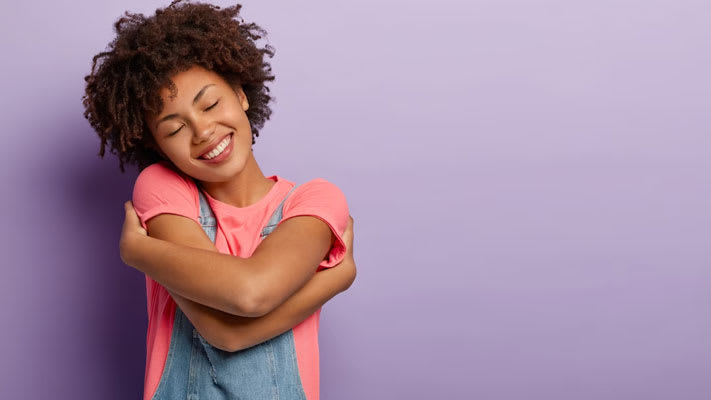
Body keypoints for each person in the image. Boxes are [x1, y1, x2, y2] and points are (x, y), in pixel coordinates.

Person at [81, 1, 357, 399]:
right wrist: (335, 279)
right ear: (158, 148)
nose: (204, 132)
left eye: (210, 104)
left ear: (242, 95)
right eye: (175, 129)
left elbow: (251, 294)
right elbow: (223, 328)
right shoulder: (162, 190)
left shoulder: (314, 200)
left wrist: (140, 252)